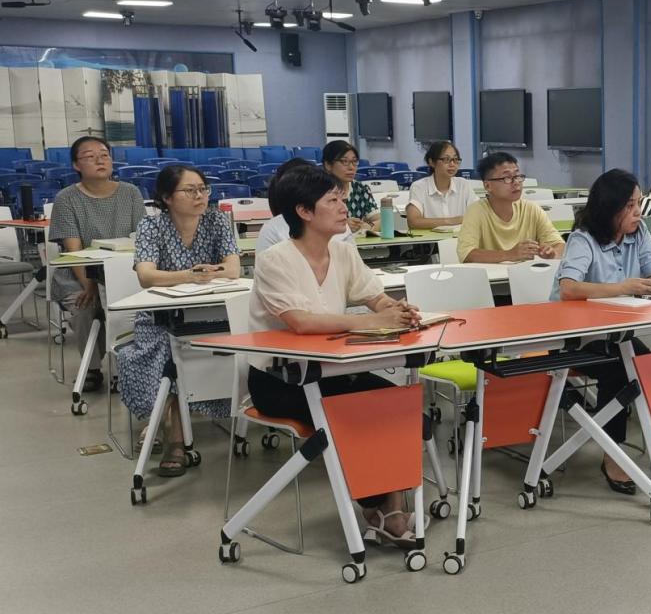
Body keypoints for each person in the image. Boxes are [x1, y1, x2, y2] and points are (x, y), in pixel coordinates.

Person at [248, 165, 423, 549]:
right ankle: (381, 510)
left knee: (396, 405)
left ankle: (388, 510)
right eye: (333, 200)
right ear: (304, 211)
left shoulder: (343, 252)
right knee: (360, 415)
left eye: (342, 198)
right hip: (281, 380)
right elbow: (301, 322)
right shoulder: (275, 259)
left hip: (333, 370)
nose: (344, 207)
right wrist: (371, 321)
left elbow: (374, 296)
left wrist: (395, 310)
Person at [553, 168, 651, 493]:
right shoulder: (583, 238)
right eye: (630, 206)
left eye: (639, 204)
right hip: (576, 338)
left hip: (617, 335)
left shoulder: (639, 232)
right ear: (610, 207)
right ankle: (613, 455)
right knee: (621, 372)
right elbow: (569, 288)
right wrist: (621, 288)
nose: (637, 212)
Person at [118, 166, 240, 477]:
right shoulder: (151, 225)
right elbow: (146, 276)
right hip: (158, 317)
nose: (200, 196)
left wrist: (206, 274)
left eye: (203, 188)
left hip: (208, 312)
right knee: (169, 350)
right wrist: (190, 275)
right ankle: (175, 439)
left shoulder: (217, 221)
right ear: (167, 197)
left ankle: (163, 421)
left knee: (214, 342)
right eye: (190, 190)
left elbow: (233, 269)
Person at [48, 135, 146, 391]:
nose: (100, 161)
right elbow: (74, 251)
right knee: (86, 307)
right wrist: (90, 283)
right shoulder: (66, 198)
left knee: (138, 308)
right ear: (76, 165)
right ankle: (91, 368)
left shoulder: (131, 193)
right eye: (90, 157)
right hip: (78, 276)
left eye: (104, 155)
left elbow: (141, 240)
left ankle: (127, 367)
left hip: (124, 273)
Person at [457, 152, 565, 263]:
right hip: (490, 274)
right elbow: (466, 254)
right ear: (488, 186)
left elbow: (560, 245)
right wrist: (509, 254)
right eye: (507, 178)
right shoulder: (476, 211)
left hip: (524, 273)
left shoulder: (531, 209)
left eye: (517, 176)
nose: (516, 182)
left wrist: (552, 253)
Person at [256, 157, 353, 253]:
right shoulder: (274, 231)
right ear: (304, 210)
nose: (344, 209)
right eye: (333, 200)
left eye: (342, 200)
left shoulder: (340, 229)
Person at [405, 141, 477, 230]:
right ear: (431, 162)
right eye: (446, 159)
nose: (452, 164)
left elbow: (478, 215)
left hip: (460, 238)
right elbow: (413, 222)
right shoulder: (419, 187)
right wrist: (453, 221)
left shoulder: (463, 185)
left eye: (455, 159)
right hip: (430, 239)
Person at [322, 140, 380, 234]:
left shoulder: (361, 189)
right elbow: (315, 225)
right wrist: (343, 225)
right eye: (344, 161)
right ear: (328, 165)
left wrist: (367, 226)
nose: (351, 167)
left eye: (354, 161)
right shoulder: (319, 192)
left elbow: (382, 221)